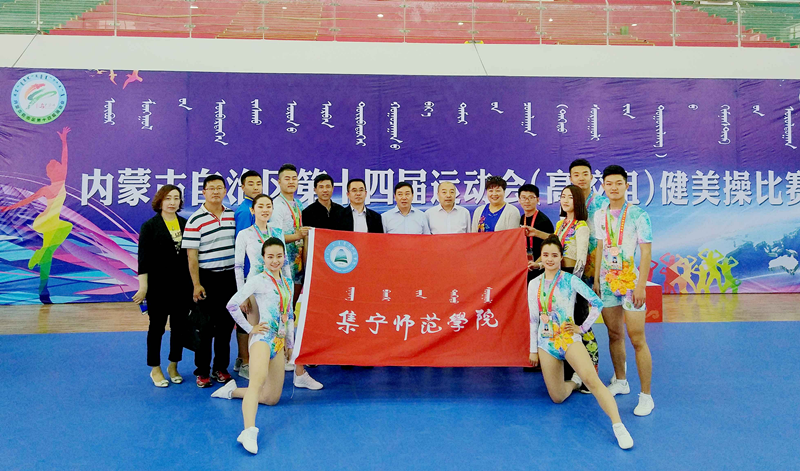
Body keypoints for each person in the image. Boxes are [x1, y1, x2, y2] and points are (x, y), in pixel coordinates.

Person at [528, 235, 633, 450]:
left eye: (554, 255)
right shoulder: (533, 284)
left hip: (568, 339)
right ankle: (575, 382)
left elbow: (597, 302)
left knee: (593, 381)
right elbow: (533, 319)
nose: (549, 259)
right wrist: (533, 350)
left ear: (561, 257)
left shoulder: (570, 280)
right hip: (546, 343)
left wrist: (582, 328)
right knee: (557, 397)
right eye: (546, 255)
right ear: (541, 257)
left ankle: (619, 426)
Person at [212, 237, 295, 455]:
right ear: (263, 258)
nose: (275, 260)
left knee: (271, 398)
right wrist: (250, 329)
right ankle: (248, 431)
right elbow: (231, 304)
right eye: (270, 256)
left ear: (284, 257)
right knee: (256, 383)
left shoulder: (288, 282)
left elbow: (289, 315)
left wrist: (289, 344)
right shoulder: (258, 280)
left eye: (279, 256)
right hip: (262, 340)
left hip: (278, 341)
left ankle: (231, 391)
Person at [593, 165, 654, 417]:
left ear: (627, 185)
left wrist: (641, 285)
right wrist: (597, 280)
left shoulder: (639, 215)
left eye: (619, 183)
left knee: (637, 339)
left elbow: (646, 252)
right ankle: (621, 380)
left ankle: (646, 396)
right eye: (609, 183)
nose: (614, 187)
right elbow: (599, 247)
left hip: (631, 282)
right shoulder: (600, 214)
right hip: (607, 281)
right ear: (603, 187)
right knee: (614, 333)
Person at [0, 127, 73, 304]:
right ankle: (41, 266)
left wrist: (64, 141)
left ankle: (43, 288)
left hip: (54, 223)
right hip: (45, 221)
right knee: (52, 247)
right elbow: (27, 200)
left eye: (59, 167)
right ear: (50, 173)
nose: (59, 169)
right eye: (55, 168)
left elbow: (65, 160)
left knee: (49, 253)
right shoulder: (46, 189)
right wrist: (8, 207)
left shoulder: (61, 182)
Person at [133, 184, 193, 388]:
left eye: (176, 198)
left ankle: (173, 365)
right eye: (168, 198)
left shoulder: (186, 224)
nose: (172, 202)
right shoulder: (149, 226)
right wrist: (143, 288)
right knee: (156, 328)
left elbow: (192, 257)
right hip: (158, 288)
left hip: (182, 287)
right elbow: (143, 261)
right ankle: (155, 368)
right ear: (160, 201)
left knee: (179, 328)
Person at [269, 163, 321, 390]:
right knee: (283, 311)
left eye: (294, 178)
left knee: (292, 311)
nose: (291, 182)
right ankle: (280, 356)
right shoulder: (276, 205)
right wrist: (298, 235)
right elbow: (275, 237)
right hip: (283, 266)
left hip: (299, 266)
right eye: (287, 179)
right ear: (279, 182)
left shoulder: (298, 204)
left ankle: (291, 354)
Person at [183, 175, 237, 388]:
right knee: (205, 329)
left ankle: (220, 368)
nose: (216, 192)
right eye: (211, 188)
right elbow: (192, 256)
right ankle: (202, 371)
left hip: (229, 278)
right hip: (207, 278)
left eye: (219, 188)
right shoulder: (195, 219)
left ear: (225, 191)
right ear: (203, 192)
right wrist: (196, 284)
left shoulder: (232, 215)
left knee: (226, 327)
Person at [234, 194, 289, 380]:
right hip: (254, 288)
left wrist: (287, 288)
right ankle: (254, 369)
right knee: (256, 328)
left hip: (277, 287)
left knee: (276, 326)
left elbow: (285, 262)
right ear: (252, 210)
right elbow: (238, 266)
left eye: (268, 206)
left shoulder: (277, 232)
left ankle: (273, 367)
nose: (265, 210)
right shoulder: (245, 234)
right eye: (261, 206)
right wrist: (242, 295)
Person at [233, 170, 263, 380]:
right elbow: (243, 249)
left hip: (258, 276)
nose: (255, 187)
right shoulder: (245, 211)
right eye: (250, 184)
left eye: (258, 183)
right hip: (249, 276)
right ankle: (245, 361)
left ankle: (241, 358)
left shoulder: (256, 208)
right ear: (242, 187)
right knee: (247, 318)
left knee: (252, 318)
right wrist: (244, 287)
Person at [518, 184, 554, 281]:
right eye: (524, 198)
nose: (527, 201)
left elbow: (552, 244)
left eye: (531, 197)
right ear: (519, 200)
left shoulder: (544, 220)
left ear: (538, 199)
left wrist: (537, 264)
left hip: (541, 266)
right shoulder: (521, 218)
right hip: (526, 266)